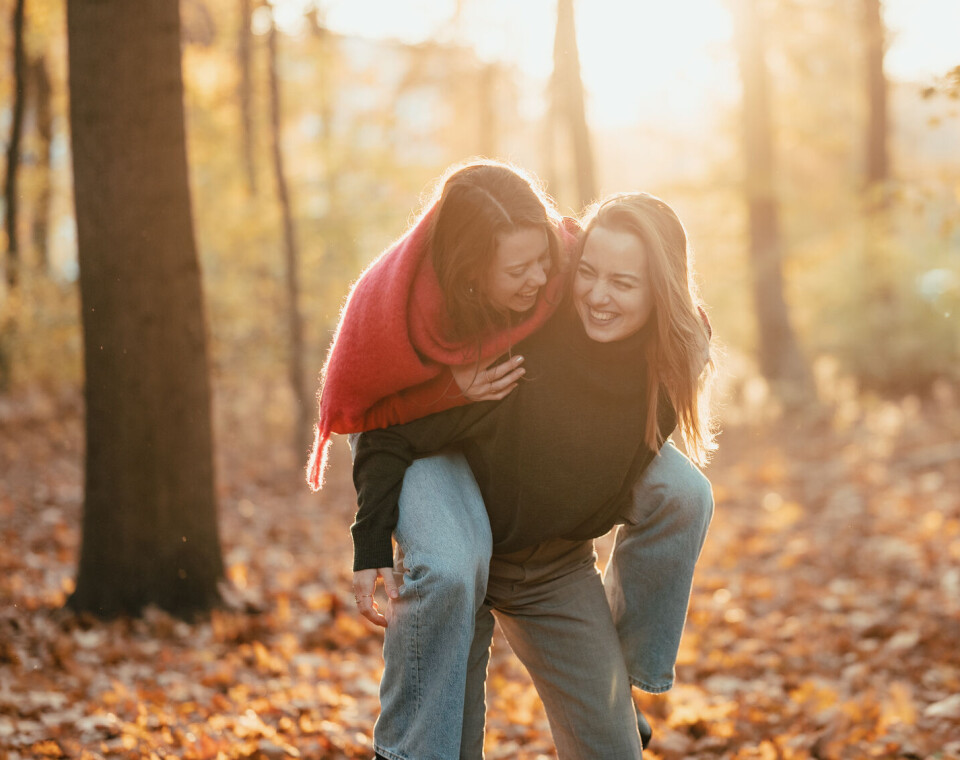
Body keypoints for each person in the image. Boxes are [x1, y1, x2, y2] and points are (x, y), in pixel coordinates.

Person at [349, 192, 717, 760]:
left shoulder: (667, 366)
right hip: (468, 557)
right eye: (588, 273)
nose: (597, 296)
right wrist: (369, 539)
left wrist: (602, 680)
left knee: (616, 752)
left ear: (661, 293)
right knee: (448, 745)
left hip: (552, 569)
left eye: (623, 283)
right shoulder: (528, 346)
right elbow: (389, 432)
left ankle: (621, 681)